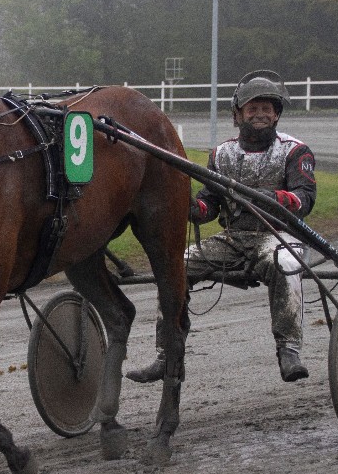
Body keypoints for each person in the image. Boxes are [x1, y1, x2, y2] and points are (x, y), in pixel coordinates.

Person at [126, 70, 316, 384]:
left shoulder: (295, 151)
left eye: (267, 108)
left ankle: (289, 348)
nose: (259, 114)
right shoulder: (222, 154)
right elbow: (208, 205)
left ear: (277, 114)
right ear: (237, 115)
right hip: (232, 238)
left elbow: (305, 197)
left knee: (284, 264)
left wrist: (274, 198)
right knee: (177, 266)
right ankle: (168, 354)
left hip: (279, 237)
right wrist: (190, 208)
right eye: (252, 108)